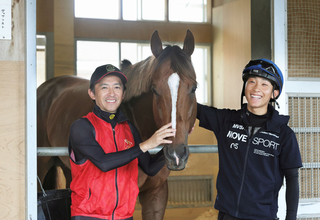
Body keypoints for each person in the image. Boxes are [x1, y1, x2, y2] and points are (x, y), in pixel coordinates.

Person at [197, 59, 302, 220]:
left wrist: (291, 217)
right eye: (251, 82)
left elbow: (292, 179)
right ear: (245, 88)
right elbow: (191, 106)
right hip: (227, 215)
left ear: (275, 93)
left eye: (264, 84)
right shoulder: (226, 121)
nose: (256, 88)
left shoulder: (284, 134)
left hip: (262, 216)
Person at [68, 64, 175, 220]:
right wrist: (146, 145)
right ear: (92, 93)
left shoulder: (129, 129)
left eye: (117, 88)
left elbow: (150, 168)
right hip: (89, 216)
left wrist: (173, 145)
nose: (112, 93)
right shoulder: (81, 127)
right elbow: (103, 163)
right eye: (104, 88)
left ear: (123, 94)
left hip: (124, 216)